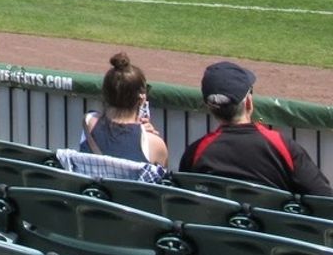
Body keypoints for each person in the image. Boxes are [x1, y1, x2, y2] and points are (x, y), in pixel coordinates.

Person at [179, 61, 331, 196]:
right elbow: (323, 201)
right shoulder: (281, 146)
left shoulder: (195, 152)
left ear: (210, 108)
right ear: (248, 103)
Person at [79, 52, 168, 167]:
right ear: (141, 99)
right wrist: (143, 133)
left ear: (105, 94)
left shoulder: (89, 122)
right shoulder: (155, 144)